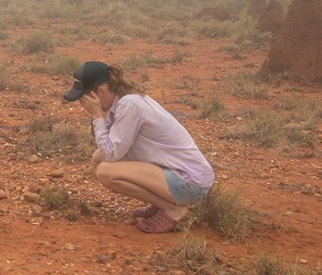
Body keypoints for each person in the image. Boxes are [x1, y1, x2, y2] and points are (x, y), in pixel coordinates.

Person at [63, 61, 215, 233]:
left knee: (105, 171)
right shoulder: (125, 100)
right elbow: (108, 147)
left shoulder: (129, 105)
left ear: (100, 92)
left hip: (190, 183)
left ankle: (173, 209)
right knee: (99, 158)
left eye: (84, 98)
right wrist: (98, 118)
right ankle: (164, 204)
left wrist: (97, 116)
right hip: (179, 172)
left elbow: (112, 152)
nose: (83, 104)